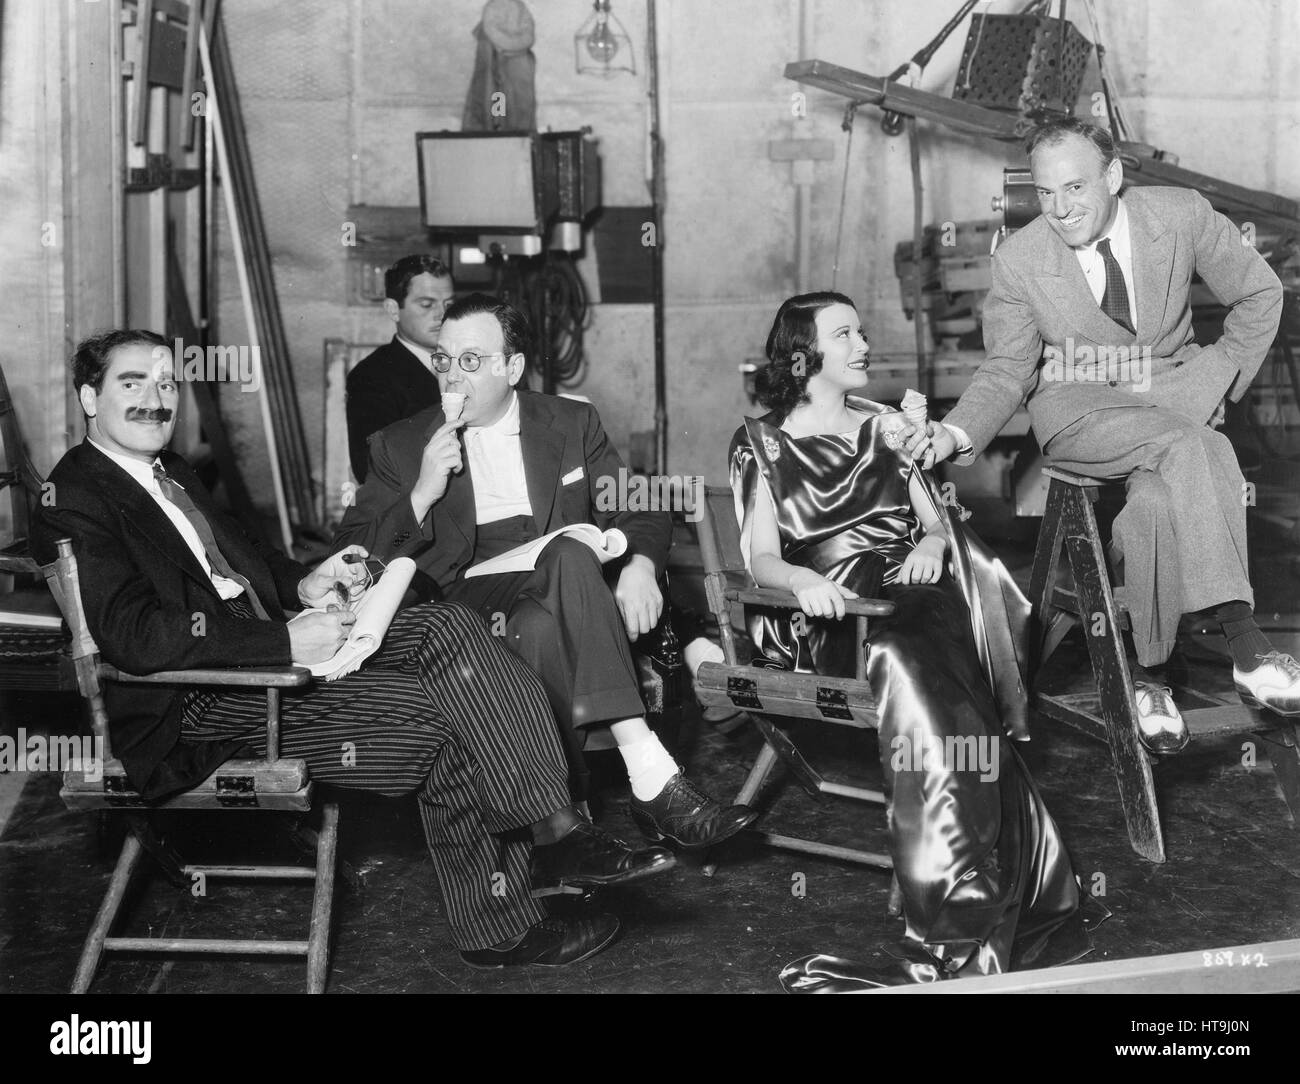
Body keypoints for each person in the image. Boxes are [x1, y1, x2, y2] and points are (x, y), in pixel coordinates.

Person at [34, 329, 680, 971]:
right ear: (90, 397)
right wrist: (281, 637)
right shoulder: (76, 498)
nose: (156, 399)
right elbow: (135, 636)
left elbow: (250, 564)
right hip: (198, 702)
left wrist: (305, 583)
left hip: (261, 660)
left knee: (449, 622)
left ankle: (558, 832)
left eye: (167, 383)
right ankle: (505, 920)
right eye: (132, 383)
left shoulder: (168, 470)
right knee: (454, 721)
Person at [731, 292, 1087, 990]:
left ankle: (955, 928)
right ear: (803, 355)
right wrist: (803, 581)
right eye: (845, 334)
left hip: (919, 590)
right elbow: (759, 559)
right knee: (905, 662)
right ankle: (970, 915)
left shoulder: (886, 426)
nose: (864, 343)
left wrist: (929, 541)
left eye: (860, 329)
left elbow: (934, 519)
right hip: (836, 610)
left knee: (914, 652)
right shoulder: (760, 442)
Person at [908, 116, 1296, 754]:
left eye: (1076, 188)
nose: (1060, 210)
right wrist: (953, 434)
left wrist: (1214, 380)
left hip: (1173, 400)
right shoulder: (1021, 259)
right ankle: (1246, 645)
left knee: (1155, 500)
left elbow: (1259, 293)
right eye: (1046, 193)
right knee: (1200, 447)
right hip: (1078, 410)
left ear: (1113, 176)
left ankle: (1147, 678)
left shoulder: (1180, 215)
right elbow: (1007, 368)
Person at [337, 293, 756, 850]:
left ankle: (562, 836)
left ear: (512, 368)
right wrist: (418, 496)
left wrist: (640, 565)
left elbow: (640, 501)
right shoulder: (401, 443)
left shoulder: (569, 421)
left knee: (550, 597)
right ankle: (654, 779)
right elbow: (351, 556)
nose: (451, 378)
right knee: (570, 558)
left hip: (552, 591)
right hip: (459, 607)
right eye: (443, 359)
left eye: (470, 361)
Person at [346, 255, 455, 483]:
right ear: (393, 309)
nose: (442, 315)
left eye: (449, 304)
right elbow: (370, 467)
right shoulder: (371, 377)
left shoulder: (466, 362)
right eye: (427, 304)